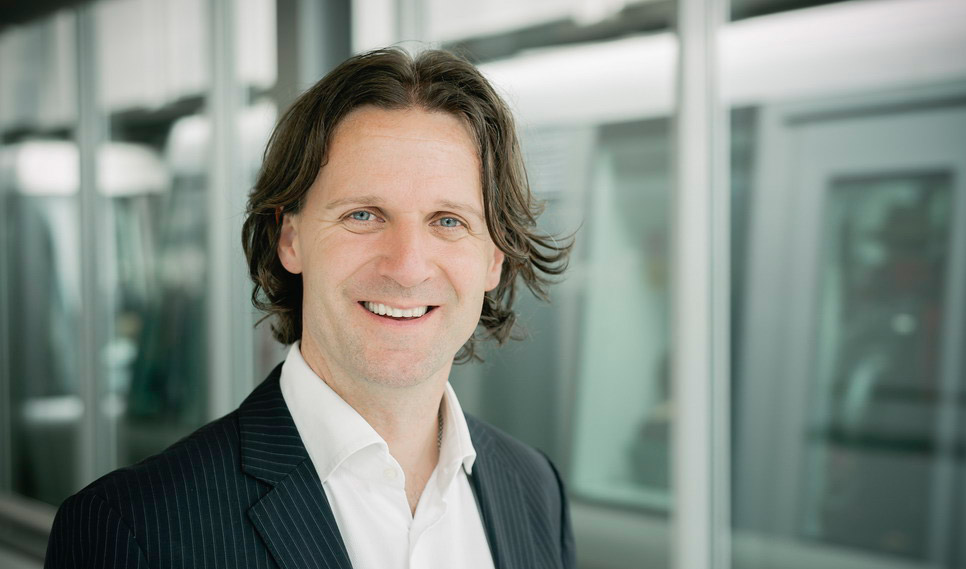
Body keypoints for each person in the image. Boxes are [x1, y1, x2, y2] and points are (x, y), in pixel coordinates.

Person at [45, 47, 575, 569]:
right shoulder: (132, 528)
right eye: (363, 215)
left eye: (448, 221)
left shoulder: (535, 490)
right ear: (290, 239)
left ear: (494, 259)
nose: (407, 266)